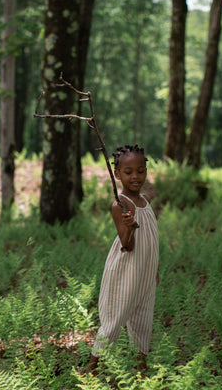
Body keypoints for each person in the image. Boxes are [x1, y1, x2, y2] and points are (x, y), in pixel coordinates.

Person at [85, 144, 159, 374]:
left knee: (143, 318)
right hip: (126, 270)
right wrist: (130, 228)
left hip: (144, 271)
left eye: (140, 170)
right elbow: (127, 245)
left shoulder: (145, 202)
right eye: (128, 172)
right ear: (117, 175)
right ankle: (91, 369)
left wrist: (154, 270)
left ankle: (141, 369)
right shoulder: (120, 205)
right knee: (116, 317)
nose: (135, 176)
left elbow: (152, 242)